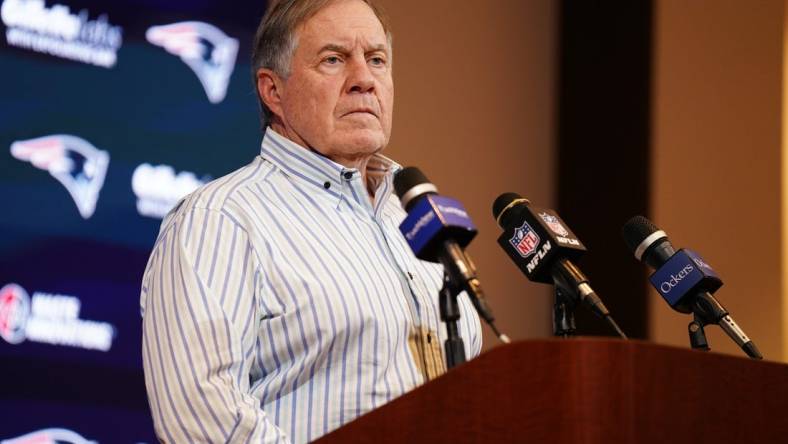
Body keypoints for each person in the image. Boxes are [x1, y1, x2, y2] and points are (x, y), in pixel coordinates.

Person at [140, 0, 482, 442]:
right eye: (334, 59)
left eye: (377, 60)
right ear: (273, 91)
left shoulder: (415, 216)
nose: (364, 80)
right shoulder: (221, 220)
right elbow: (202, 416)